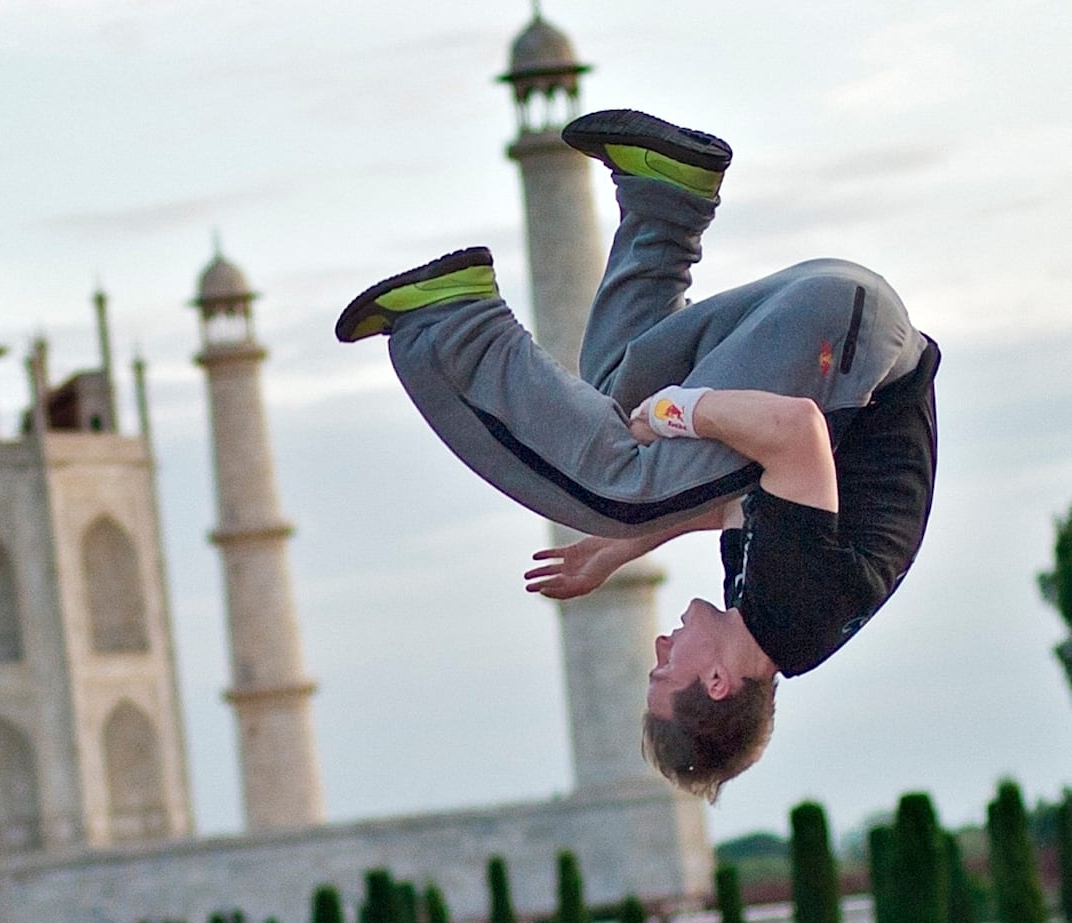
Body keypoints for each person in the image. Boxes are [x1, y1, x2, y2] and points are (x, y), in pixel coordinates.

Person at [335, 109, 939, 801]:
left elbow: (738, 495)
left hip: (841, 318)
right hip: (848, 338)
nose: (657, 650)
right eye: (663, 673)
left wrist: (616, 548)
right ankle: (450, 325)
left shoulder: (767, 611)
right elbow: (798, 431)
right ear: (715, 683)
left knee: (611, 417)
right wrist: (673, 413)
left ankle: (667, 192)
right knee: (615, 478)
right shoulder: (796, 613)